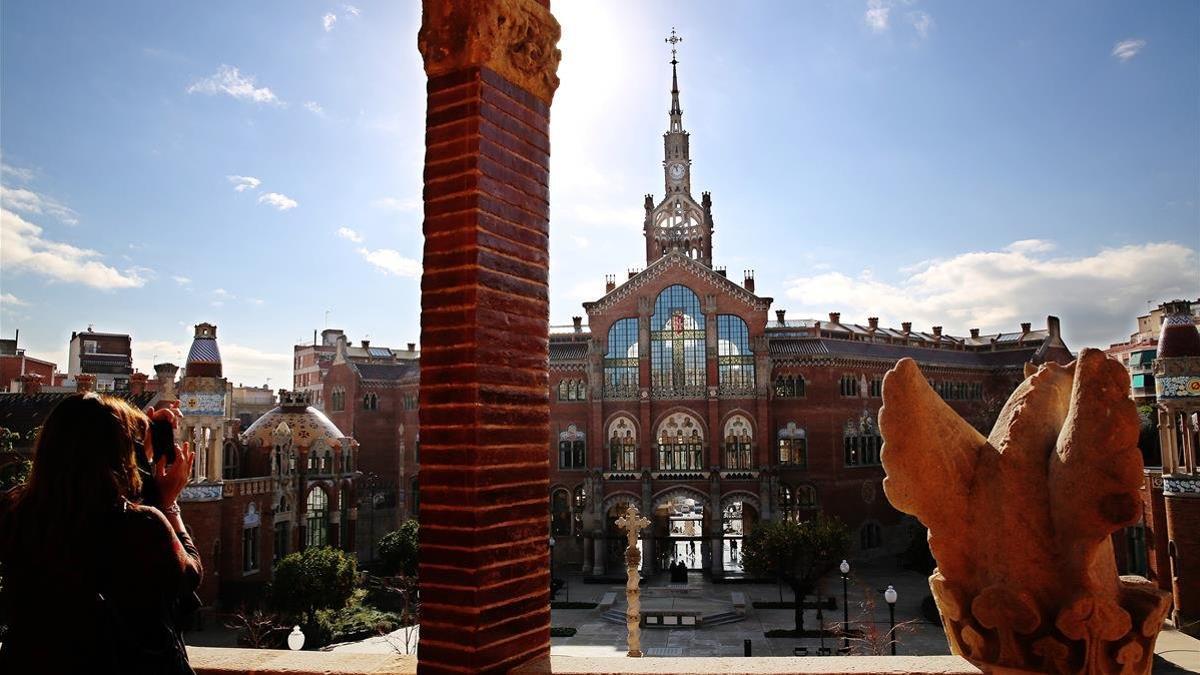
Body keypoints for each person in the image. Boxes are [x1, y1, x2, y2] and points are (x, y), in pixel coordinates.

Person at [0, 393, 201, 674]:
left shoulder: (14, 513)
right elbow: (189, 574)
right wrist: (168, 504)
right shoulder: (140, 525)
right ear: (118, 454)